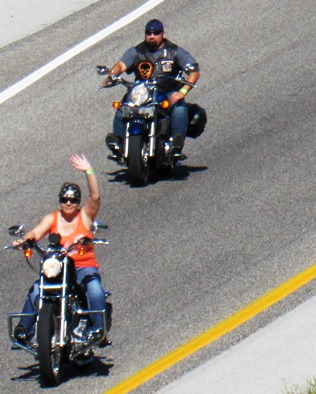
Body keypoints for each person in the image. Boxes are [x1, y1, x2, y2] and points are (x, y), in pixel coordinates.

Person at [13, 154, 106, 343]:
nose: (68, 203)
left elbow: (95, 196)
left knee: (95, 289)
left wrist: (89, 171)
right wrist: (24, 241)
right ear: (60, 201)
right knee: (37, 289)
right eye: (64, 199)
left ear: (78, 202)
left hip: (83, 267)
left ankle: (98, 328)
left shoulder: (85, 217)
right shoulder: (52, 218)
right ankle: (24, 328)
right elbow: (36, 232)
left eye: (72, 200)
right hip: (59, 267)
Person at [104, 19, 200, 158]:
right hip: (142, 91)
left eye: (156, 33)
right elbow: (121, 65)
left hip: (167, 91)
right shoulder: (137, 51)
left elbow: (194, 72)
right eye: (149, 33)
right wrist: (111, 75)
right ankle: (119, 144)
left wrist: (182, 92)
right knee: (122, 108)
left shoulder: (175, 52)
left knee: (179, 108)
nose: (152, 36)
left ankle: (175, 145)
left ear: (163, 34)